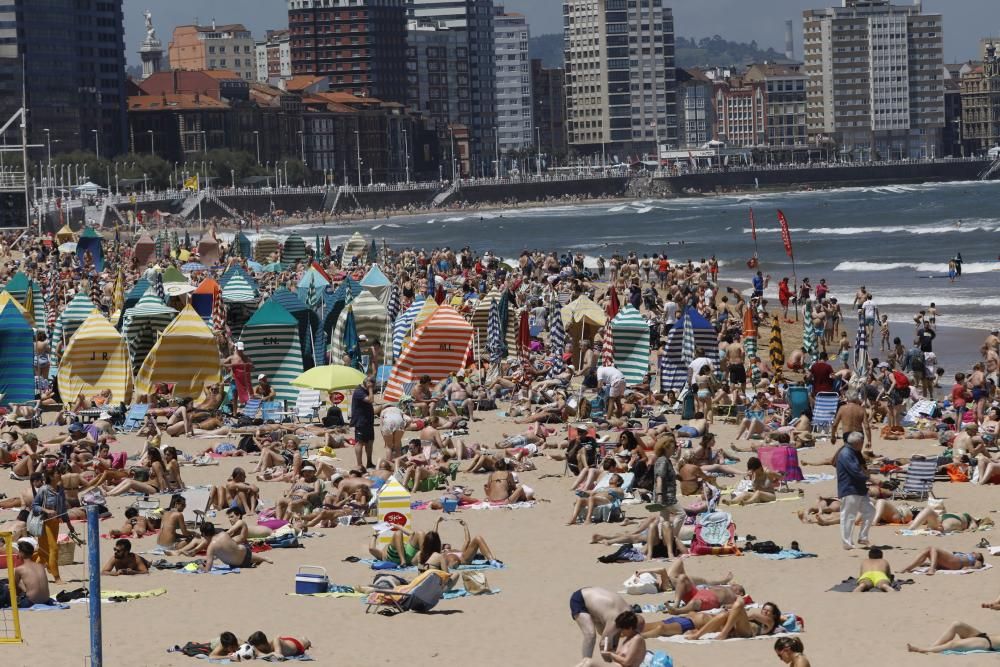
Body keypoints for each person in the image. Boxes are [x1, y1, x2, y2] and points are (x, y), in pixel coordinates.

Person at [31, 468, 78, 583]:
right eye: (58, 473)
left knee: (43, 553)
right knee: (54, 549)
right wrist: (46, 510)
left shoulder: (60, 489)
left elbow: (62, 509)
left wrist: (69, 524)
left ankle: (32, 575)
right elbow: (34, 506)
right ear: (51, 476)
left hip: (55, 523)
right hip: (43, 523)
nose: (60, 475)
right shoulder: (43, 490)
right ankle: (57, 578)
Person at [835, 432, 874, 550]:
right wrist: (872, 479)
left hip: (859, 488)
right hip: (849, 488)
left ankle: (863, 537)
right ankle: (847, 542)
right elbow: (856, 472)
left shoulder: (854, 453)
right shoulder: (846, 453)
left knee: (870, 511)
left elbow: (861, 469)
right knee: (848, 516)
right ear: (858, 443)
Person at [569, 587, 634, 659]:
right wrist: (608, 662)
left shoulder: (629, 613)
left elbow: (615, 637)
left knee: (608, 635)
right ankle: (586, 663)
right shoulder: (614, 623)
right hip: (581, 599)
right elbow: (603, 645)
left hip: (594, 596)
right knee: (590, 635)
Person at [576, 610, 646, 667]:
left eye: (622, 629)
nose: (620, 631)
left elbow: (627, 662)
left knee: (589, 663)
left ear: (630, 628)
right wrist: (609, 650)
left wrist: (610, 654)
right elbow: (619, 657)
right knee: (585, 660)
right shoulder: (629, 638)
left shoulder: (637, 639)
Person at [687, 598, 782, 640]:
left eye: (767, 611)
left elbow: (753, 615)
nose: (764, 612)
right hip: (738, 628)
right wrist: (732, 615)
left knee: (739, 605)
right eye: (764, 609)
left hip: (748, 632)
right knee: (724, 614)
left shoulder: (771, 622)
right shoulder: (761, 619)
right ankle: (697, 635)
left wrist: (734, 614)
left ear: (773, 615)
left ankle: (723, 634)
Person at [200, 522, 272, 572]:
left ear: (204, 534)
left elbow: (208, 569)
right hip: (245, 552)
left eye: (202, 535)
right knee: (242, 554)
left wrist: (200, 568)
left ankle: (261, 560)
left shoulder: (211, 547)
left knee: (239, 558)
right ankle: (263, 559)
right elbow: (228, 548)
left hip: (238, 564)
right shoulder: (223, 534)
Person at [907, 621, 1000, 654]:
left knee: (953, 644)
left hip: (987, 643)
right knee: (957, 624)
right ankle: (932, 647)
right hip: (983, 635)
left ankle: (924, 650)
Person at [12, 541, 50, 605]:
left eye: (18, 552)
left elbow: (15, 587)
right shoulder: (40, 566)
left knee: (17, 582)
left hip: (31, 601)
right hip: (46, 600)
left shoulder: (19, 569)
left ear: (21, 553)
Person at [350, 377, 376, 469]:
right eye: (373, 385)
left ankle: (369, 462)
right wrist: (370, 389)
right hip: (360, 422)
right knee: (359, 443)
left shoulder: (364, 391)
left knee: (370, 442)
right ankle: (359, 464)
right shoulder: (359, 392)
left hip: (368, 421)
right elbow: (370, 400)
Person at [900, 548, 985, 575]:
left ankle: (932, 569)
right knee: (928, 550)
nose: (974, 552)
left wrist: (970, 567)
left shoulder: (976, 559)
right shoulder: (966, 555)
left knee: (933, 548)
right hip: (951, 562)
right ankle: (908, 568)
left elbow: (979, 566)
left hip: (957, 563)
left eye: (977, 553)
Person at [247, 631, 312, 658]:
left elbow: (279, 656)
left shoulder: (275, 641)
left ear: (262, 645)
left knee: (305, 641)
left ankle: (304, 639)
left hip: (296, 645)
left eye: (256, 646)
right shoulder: (264, 646)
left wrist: (271, 654)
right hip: (284, 643)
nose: (256, 648)